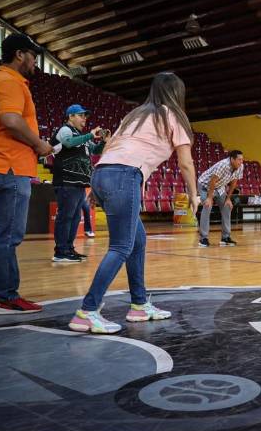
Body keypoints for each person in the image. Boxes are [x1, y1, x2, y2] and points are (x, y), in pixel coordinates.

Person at [69, 72, 199, 334]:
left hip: (103, 172)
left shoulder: (135, 115)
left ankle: (139, 305)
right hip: (124, 175)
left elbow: (110, 147)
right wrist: (193, 195)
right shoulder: (174, 116)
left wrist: (98, 186)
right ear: (177, 93)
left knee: (137, 240)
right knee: (121, 247)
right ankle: (87, 311)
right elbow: (185, 162)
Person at [0, 34, 53, 314]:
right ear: (20, 55)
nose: (34, 61)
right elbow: (10, 120)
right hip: (10, 166)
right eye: (32, 54)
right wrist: (38, 144)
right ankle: (5, 296)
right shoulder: (9, 80)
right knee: (7, 235)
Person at [50, 104, 106, 262]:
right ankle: (60, 251)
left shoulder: (81, 135)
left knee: (74, 217)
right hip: (67, 180)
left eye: (85, 116)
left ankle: (68, 249)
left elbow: (95, 150)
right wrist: (89, 135)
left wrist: (102, 141)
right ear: (70, 117)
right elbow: (68, 143)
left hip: (79, 183)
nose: (84, 119)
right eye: (81, 115)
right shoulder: (65, 130)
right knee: (66, 216)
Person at [197, 150, 243, 248]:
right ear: (232, 159)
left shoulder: (240, 167)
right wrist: (209, 198)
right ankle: (203, 238)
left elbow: (234, 182)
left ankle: (225, 238)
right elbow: (212, 181)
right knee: (207, 206)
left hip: (219, 187)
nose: (241, 162)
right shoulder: (223, 165)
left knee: (227, 206)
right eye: (239, 159)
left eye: (242, 159)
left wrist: (228, 198)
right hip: (205, 185)